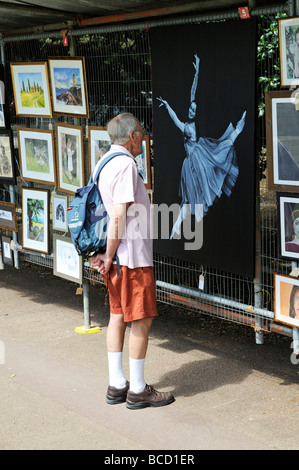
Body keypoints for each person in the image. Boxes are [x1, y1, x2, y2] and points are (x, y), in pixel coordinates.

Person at [90, 113, 174, 410]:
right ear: (132, 136)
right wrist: (111, 254)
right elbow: (118, 215)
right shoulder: (126, 165)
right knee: (141, 318)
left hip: (116, 258)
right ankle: (137, 390)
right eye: (141, 132)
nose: (143, 137)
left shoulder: (103, 163)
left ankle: (117, 384)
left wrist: (106, 256)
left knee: (117, 315)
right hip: (131, 258)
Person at [157, 54, 246, 238]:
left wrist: (197, 73)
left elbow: (190, 97)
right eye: (191, 108)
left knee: (221, 151)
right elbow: (188, 98)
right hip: (191, 163)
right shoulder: (186, 125)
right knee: (191, 199)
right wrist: (167, 105)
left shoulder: (192, 126)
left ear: (196, 112)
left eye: (194, 109)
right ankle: (177, 227)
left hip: (199, 158)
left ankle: (237, 131)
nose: (191, 110)